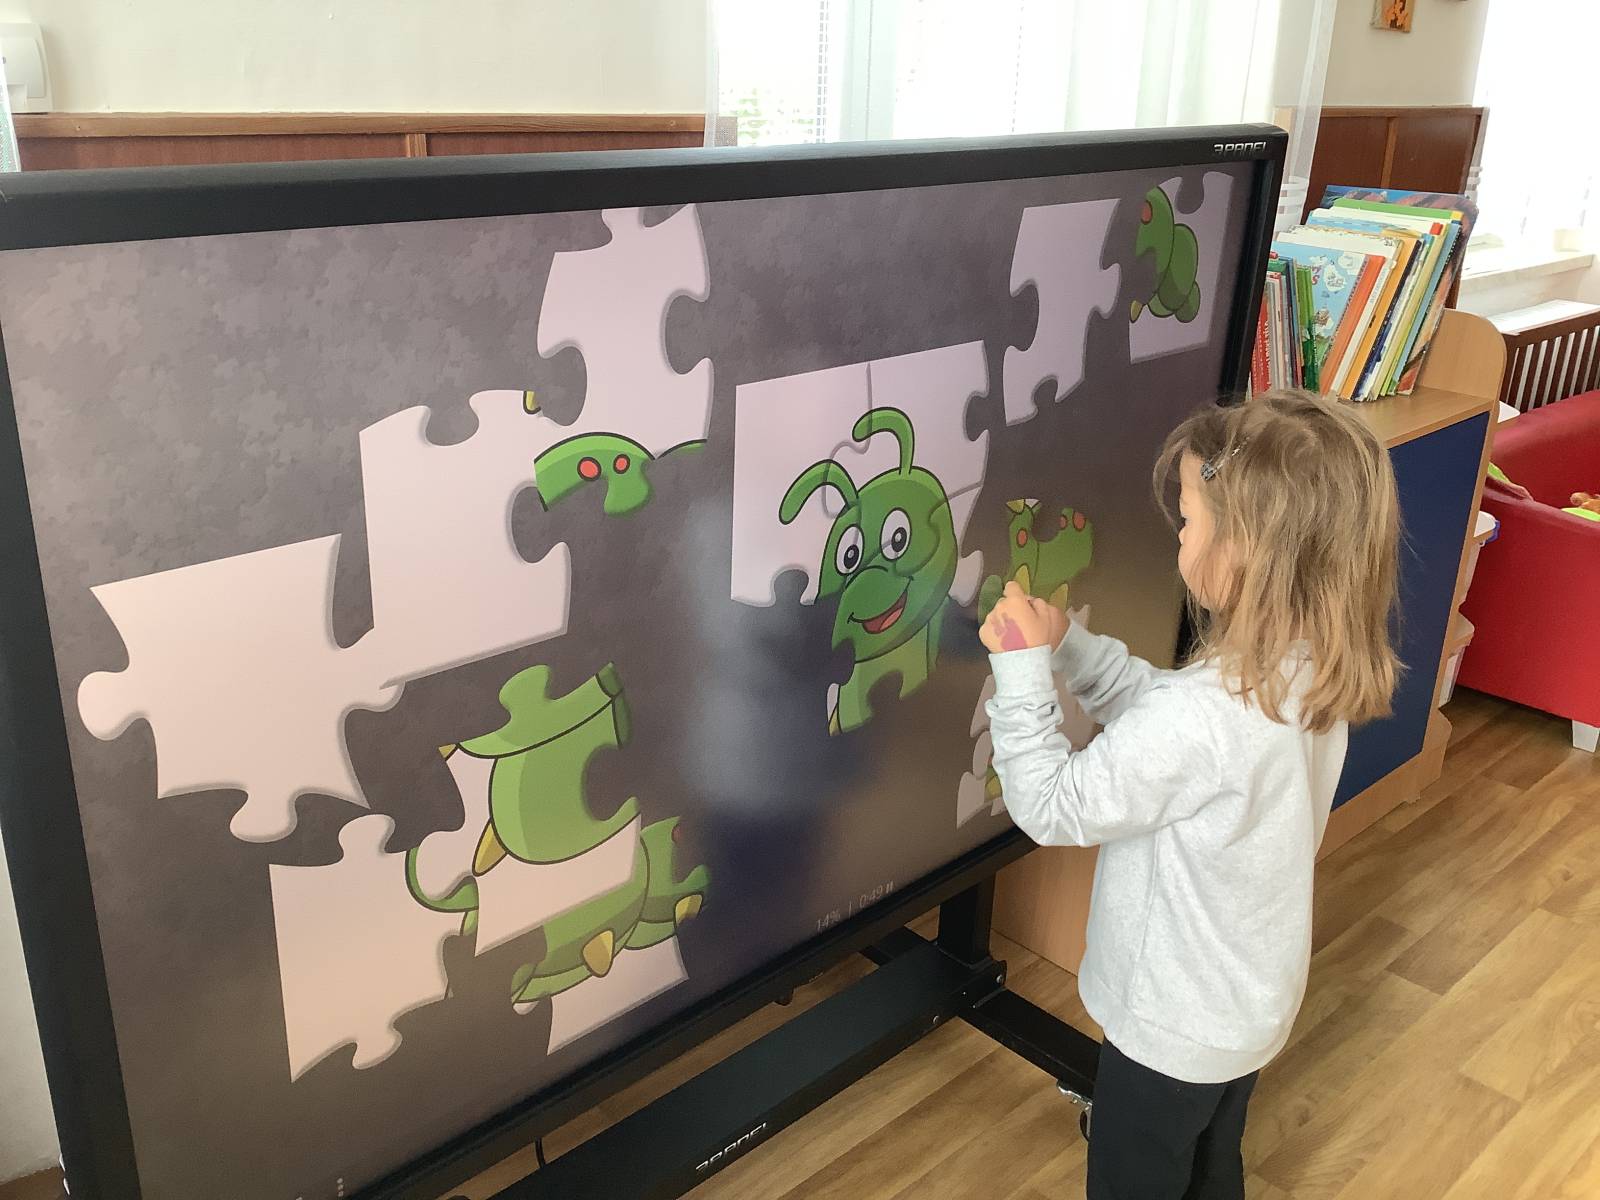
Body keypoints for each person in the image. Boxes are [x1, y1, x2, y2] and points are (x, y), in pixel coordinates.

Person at [980, 389, 1401, 1200]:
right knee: (1211, 1163)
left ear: (1243, 552)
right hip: (1242, 1012)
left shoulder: (1202, 718)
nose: (1179, 536)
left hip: (1167, 1030)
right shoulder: (1303, 674)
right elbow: (1165, 722)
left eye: (1188, 521)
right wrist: (1070, 647)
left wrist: (1021, 668)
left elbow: (1053, 804)